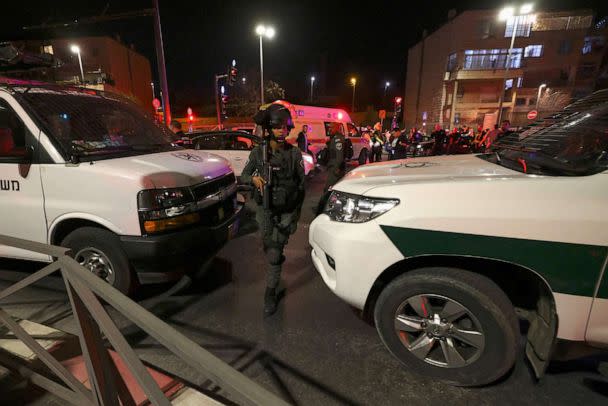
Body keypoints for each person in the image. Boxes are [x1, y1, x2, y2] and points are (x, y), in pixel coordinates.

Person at [241, 104, 306, 316]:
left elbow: (301, 188)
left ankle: (270, 292)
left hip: (285, 211)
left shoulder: (295, 154)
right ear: (269, 129)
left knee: (275, 254)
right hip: (264, 210)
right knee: (269, 245)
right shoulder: (259, 154)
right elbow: (243, 176)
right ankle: (274, 260)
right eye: (277, 127)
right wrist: (253, 178)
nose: (281, 131)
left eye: (285, 127)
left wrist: (294, 218)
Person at [324, 122, 346, 192]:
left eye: (332, 127)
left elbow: (339, 156)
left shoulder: (338, 139)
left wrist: (336, 168)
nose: (330, 129)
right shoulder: (334, 138)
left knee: (328, 189)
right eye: (329, 127)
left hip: (336, 168)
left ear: (337, 128)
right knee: (337, 188)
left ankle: (324, 202)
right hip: (334, 166)